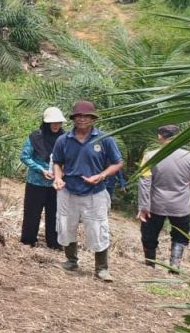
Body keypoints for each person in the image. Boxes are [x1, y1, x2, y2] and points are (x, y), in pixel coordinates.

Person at [52, 100, 124, 282]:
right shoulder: (63, 140)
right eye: (78, 116)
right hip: (68, 190)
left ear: (93, 118)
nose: (82, 119)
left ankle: (101, 268)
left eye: (86, 116)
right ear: (73, 118)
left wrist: (101, 175)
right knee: (66, 225)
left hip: (95, 191)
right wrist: (58, 178)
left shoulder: (104, 139)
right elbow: (57, 163)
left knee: (98, 228)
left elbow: (118, 163)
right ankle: (71, 260)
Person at [138, 124, 190, 272]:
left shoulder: (150, 156)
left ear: (160, 137)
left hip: (156, 205)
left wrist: (143, 206)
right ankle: (174, 265)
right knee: (180, 236)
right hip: (180, 206)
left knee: (149, 235)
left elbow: (145, 183)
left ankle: (150, 264)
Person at [19, 107, 66, 250]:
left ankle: (54, 243)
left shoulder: (65, 139)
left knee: (55, 214)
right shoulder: (35, 137)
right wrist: (41, 170)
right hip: (36, 182)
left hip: (56, 184)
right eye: (53, 122)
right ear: (46, 123)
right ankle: (28, 240)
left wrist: (62, 173)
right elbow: (25, 156)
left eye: (58, 122)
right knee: (32, 212)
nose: (56, 125)